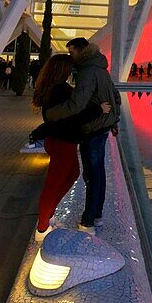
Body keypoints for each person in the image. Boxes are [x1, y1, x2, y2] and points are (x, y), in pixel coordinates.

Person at [42, 37, 121, 233]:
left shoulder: (87, 71)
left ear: (80, 51)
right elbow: (116, 97)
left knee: (91, 175)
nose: (71, 57)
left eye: (71, 53)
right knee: (98, 174)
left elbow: (76, 104)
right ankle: (97, 215)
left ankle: (88, 222)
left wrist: (51, 114)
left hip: (92, 128)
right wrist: (114, 120)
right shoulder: (101, 69)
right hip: (103, 126)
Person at [30, 54, 112, 242]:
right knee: (53, 183)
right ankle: (42, 228)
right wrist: (98, 109)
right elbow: (73, 115)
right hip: (62, 141)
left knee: (72, 173)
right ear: (62, 70)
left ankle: (48, 216)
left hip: (60, 140)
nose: (72, 71)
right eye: (69, 68)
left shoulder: (52, 88)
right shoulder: (60, 90)